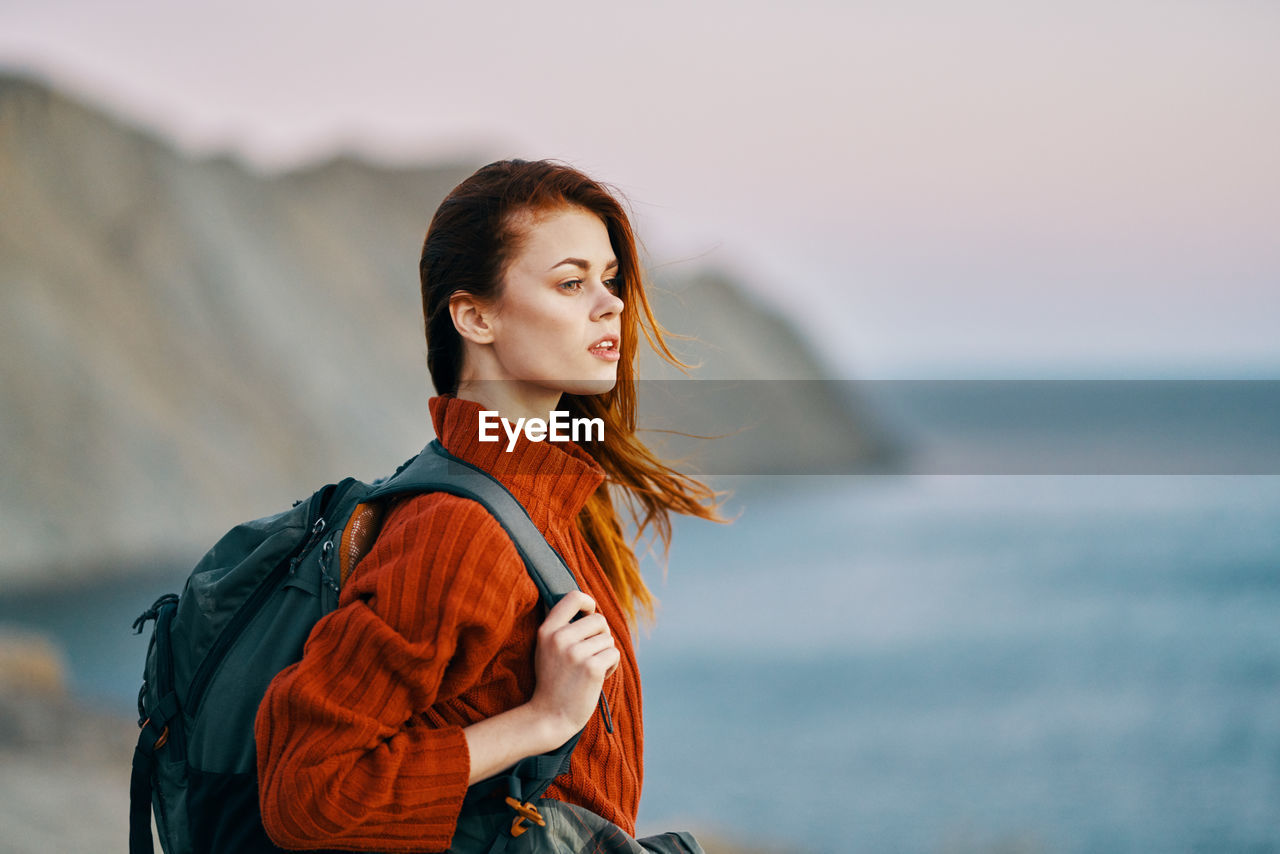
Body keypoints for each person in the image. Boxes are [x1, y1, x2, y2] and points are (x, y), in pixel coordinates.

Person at [254, 159, 722, 852]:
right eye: (571, 283)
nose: (612, 305)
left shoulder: (548, 496)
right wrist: (542, 720)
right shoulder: (458, 529)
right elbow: (307, 795)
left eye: (610, 281)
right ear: (475, 316)